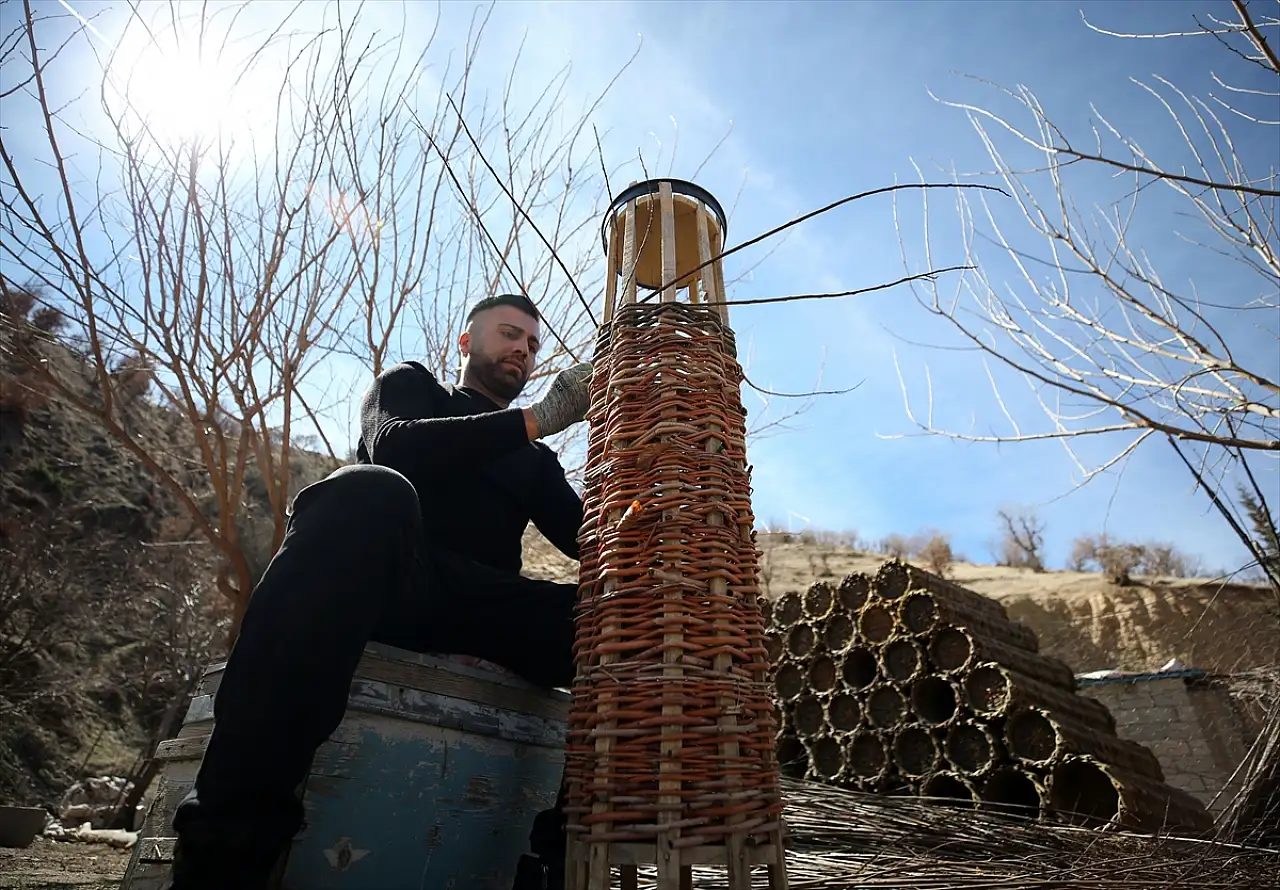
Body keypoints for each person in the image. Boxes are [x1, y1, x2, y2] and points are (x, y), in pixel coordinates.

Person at [166, 293, 592, 890]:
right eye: (507, 333)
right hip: (392, 583)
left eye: (531, 343)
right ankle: (226, 848)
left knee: (613, 617)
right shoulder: (413, 385)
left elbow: (592, 543)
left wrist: (631, 455)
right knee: (366, 489)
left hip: (487, 606)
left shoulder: (536, 459)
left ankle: (566, 863)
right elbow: (393, 445)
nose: (522, 347)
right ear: (466, 342)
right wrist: (537, 417)